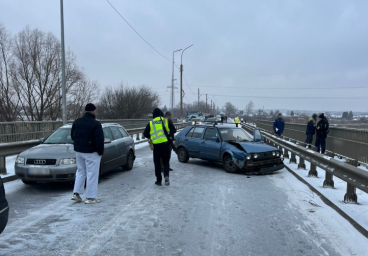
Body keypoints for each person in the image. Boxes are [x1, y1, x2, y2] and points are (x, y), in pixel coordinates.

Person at [71, 103, 104, 204]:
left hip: (79, 151)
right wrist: (100, 152)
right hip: (91, 152)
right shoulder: (96, 124)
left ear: (85, 111)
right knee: (92, 174)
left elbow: (72, 135)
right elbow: (99, 140)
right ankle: (90, 197)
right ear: (94, 111)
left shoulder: (77, 122)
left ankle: (76, 193)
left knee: (80, 172)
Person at [143, 108, 171, 186]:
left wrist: (151, 137)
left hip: (156, 146)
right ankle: (166, 176)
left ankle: (159, 180)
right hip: (165, 144)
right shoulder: (165, 120)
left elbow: (145, 134)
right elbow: (172, 130)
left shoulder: (151, 123)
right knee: (166, 162)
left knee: (157, 163)